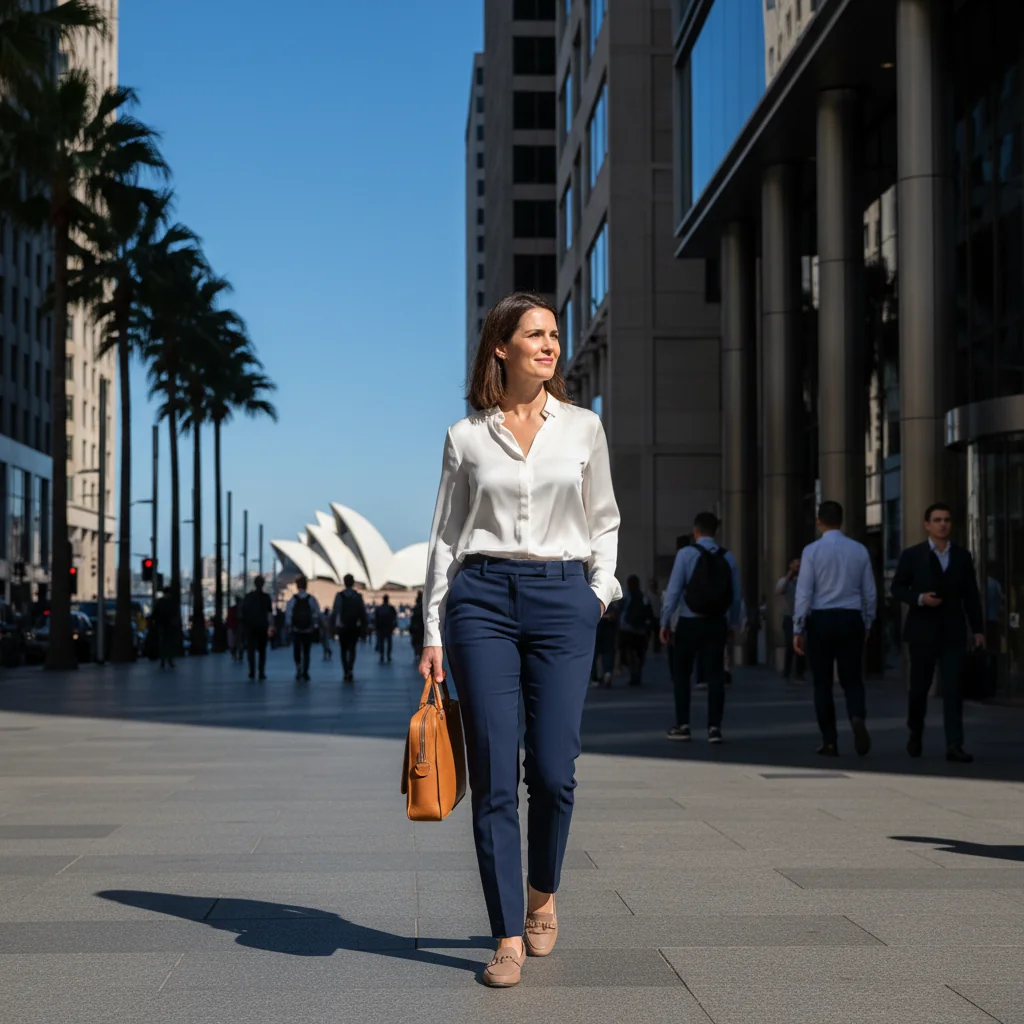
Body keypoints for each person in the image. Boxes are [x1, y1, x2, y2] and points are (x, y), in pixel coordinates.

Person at [420, 292, 620, 988]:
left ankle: (543, 894)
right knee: (496, 775)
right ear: (500, 347)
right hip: (481, 604)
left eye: (555, 334)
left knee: (556, 773)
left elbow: (605, 522)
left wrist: (598, 594)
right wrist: (433, 629)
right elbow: (445, 538)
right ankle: (507, 932)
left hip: (564, 599)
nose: (550, 344)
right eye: (534, 333)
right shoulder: (466, 437)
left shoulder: (585, 428)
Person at [891, 503, 985, 763]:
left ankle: (955, 744)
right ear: (927, 525)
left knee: (953, 690)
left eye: (947, 519)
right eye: (937, 519)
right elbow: (897, 588)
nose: (943, 524)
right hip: (922, 632)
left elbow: (972, 597)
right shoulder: (913, 555)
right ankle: (915, 733)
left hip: (953, 633)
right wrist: (919, 598)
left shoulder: (963, 557)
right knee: (919, 690)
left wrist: (978, 630)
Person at [793, 500, 876, 757]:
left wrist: (798, 626)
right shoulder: (859, 550)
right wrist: (867, 621)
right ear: (842, 521)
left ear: (819, 522)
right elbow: (869, 592)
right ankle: (856, 716)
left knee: (822, 683)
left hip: (821, 620)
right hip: (851, 618)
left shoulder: (811, 551)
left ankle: (829, 740)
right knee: (852, 678)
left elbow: (804, 591)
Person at [659, 512, 741, 743]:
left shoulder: (686, 554)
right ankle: (714, 727)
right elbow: (736, 597)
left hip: (689, 622)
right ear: (716, 531)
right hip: (716, 623)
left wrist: (665, 622)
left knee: (682, 675)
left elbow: (673, 592)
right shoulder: (728, 558)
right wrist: (733, 623)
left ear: (695, 531)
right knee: (715, 675)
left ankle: (682, 724)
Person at [618, 575, 654, 686]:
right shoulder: (643, 596)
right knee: (640, 654)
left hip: (627, 629)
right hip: (641, 630)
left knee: (628, 653)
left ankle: (633, 672)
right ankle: (637, 673)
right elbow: (649, 613)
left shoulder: (625, 596)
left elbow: (620, 611)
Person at [285, 575, 321, 683]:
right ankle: (305, 670)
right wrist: (315, 625)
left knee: (297, 650)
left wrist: (289, 625)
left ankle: (298, 667)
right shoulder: (311, 599)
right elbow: (317, 613)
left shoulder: (293, 599)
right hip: (308, 629)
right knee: (306, 651)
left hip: (296, 629)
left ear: (297, 586)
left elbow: (289, 614)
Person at [331, 574, 366, 682]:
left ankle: (345, 670)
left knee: (343, 649)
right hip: (354, 626)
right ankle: (350, 668)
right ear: (353, 582)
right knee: (352, 649)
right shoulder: (357, 596)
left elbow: (335, 612)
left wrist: (332, 627)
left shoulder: (339, 596)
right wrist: (364, 628)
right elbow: (362, 613)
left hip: (342, 627)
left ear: (344, 582)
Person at [776, 557, 805, 680]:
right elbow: (780, 590)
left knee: (802, 645)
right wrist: (790, 576)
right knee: (789, 644)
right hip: (788, 616)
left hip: (801, 617)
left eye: (799, 566)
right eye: (795, 566)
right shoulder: (784, 580)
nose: (797, 568)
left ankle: (799, 673)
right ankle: (787, 671)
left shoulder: (804, 581)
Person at [242, 575, 273, 682]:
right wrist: (270, 626)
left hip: (251, 627)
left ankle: (252, 671)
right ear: (263, 584)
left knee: (251, 650)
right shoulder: (266, 597)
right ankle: (261, 672)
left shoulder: (249, 596)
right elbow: (269, 613)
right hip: (262, 626)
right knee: (262, 651)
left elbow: (243, 612)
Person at [152, 589, 177, 670]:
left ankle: (165, 661)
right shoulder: (170, 603)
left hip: (163, 626)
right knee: (167, 643)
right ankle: (167, 660)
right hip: (166, 626)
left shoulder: (160, 602)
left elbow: (154, 614)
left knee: (164, 643)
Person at [374, 594, 398, 663]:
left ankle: (382, 655)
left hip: (381, 628)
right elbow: (395, 617)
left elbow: (376, 618)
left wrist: (376, 627)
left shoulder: (379, 608)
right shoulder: (391, 608)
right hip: (388, 628)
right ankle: (388, 655)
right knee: (389, 642)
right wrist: (394, 626)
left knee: (381, 642)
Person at [409, 590, 425, 659]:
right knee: (421, 641)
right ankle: (420, 653)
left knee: (417, 641)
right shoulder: (423, 608)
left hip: (417, 627)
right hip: (421, 627)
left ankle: (417, 653)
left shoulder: (416, 608)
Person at [225, 597, 241, 663]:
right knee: (238, 643)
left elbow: (228, 619)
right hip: (237, 628)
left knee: (232, 644)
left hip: (232, 628)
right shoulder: (241, 609)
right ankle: (239, 655)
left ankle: (235, 655)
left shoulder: (232, 609)